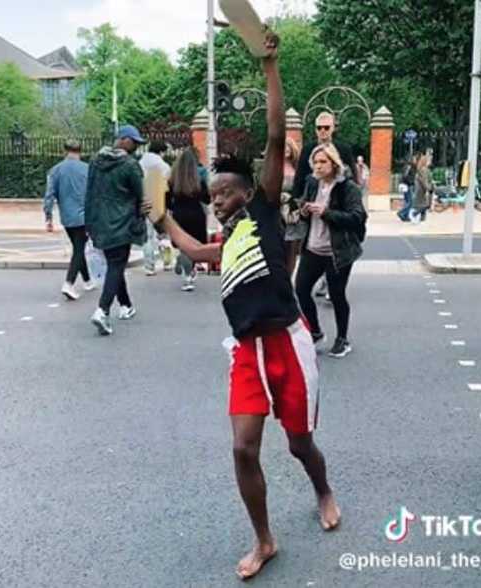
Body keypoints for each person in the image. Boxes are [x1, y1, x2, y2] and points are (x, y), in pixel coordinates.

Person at [161, 33, 340, 580]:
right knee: (243, 449)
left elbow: (271, 129)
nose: (217, 202)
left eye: (224, 194)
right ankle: (264, 540)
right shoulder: (229, 240)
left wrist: (271, 65)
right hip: (246, 352)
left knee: (299, 444)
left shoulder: (262, 212)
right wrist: (158, 212)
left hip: (288, 341)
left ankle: (323, 488)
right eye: (213, 197)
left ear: (248, 192)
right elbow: (191, 250)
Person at [295, 143, 368, 357]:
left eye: (323, 162)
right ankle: (316, 331)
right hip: (312, 248)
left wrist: (327, 212)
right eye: (315, 162)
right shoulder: (312, 183)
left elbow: (357, 217)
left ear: (334, 164)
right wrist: (303, 211)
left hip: (337, 251)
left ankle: (342, 339)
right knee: (300, 290)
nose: (318, 166)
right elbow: (302, 207)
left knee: (337, 295)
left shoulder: (348, 187)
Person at [84, 125, 149, 335]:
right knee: (116, 265)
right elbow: (140, 197)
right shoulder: (130, 165)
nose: (136, 147)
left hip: (100, 222)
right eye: (134, 142)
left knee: (115, 265)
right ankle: (102, 311)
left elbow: (90, 193)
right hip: (122, 223)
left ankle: (126, 305)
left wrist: (90, 222)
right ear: (123, 139)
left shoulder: (95, 161)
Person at [44, 139, 94, 300]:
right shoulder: (87, 169)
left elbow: (49, 195)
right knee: (79, 249)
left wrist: (48, 216)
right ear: (81, 150)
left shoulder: (55, 170)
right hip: (84, 216)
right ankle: (69, 283)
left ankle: (87, 281)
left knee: (78, 247)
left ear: (64, 150)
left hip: (67, 216)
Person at [166, 148, 210, 292]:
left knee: (183, 245)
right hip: (196, 215)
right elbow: (207, 199)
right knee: (194, 246)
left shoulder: (172, 179)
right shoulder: (198, 179)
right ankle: (188, 273)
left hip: (179, 215)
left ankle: (186, 271)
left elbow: (167, 201)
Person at [295, 111, 354, 193]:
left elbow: (351, 176)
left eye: (326, 127)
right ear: (315, 129)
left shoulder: (344, 149)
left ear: (333, 128)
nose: (322, 130)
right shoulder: (307, 149)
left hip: (337, 195)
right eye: (319, 127)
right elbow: (300, 177)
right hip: (312, 195)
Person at [139, 140, 171, 276]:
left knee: (147, 235)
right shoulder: (163, 166)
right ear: (161, 151)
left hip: (143, 201)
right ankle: (167, 262)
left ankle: (149, 266)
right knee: (163, 233)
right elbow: (167, 186)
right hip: (159, 201)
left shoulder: (139, 163)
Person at [281, 137, 306, 277]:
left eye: (288, 146)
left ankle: (288, 279)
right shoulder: (272, 167)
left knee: (292, 249)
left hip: (293, 212)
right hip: (277, 212)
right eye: (282, 146)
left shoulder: (298, 168)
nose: (285, 149)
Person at [411, 151, 433, 224]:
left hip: (421, 190)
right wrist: (428, 188)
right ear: (425, 161)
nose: (430, 161)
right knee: (425, 205)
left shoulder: (423, 169)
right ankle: (415, 214)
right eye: (429, 160)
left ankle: (422, 220)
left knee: (424, 205)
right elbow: (424, 181)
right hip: (422, 190)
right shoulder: (424, 170)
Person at [397, 155, 418, 222]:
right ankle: (401, 213)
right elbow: (405, 176)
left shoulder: (410, 166)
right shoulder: (409, 167)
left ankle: (405, 216)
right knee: (410, 202)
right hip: (406, 185)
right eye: (414, 159)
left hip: (406, 185)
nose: (415, 160)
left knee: (407, 201)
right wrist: (411, 182)